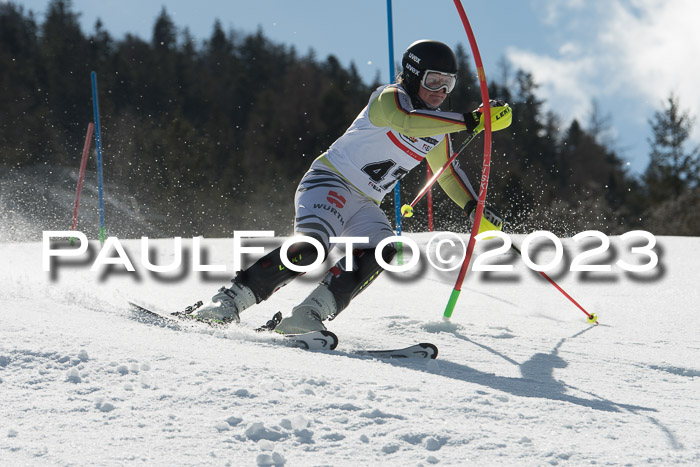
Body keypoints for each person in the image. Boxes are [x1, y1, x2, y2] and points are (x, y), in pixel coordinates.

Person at [185, 39, 512, 333]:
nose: (441, 91)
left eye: (448, 83)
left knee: (386, 250)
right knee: (314, 247)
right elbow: (406, 121)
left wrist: (473, 207)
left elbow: (446, 172)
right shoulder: (389, 98)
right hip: (329, 181)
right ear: (413, 75)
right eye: (433, 81)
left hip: (365, 202)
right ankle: (228, 301)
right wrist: (471, 120)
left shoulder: (440, 128)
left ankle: (309, 315)